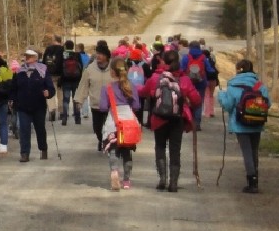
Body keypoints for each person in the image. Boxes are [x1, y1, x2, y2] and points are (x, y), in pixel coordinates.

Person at [139, 49, 201, 192]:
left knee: (160, 147)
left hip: (159, 118)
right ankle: (173, 183)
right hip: (177, 119)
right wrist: (187, 106)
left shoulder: (155, 78)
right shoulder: (184, 80)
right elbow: (196, 100)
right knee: (175, 150)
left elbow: (143, 92)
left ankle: (162, 179)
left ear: (163, 61)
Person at [217, 59, 272, 193]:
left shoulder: (233, 86)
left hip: (240, 124)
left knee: (246, 151)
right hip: (257, 122)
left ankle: (251, 181)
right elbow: (268, 103)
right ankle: (255, 180)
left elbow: (228, 105)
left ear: (238, 70)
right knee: (254, 151)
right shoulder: (259, 85)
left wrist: (221, 96)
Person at [102, 56, 142, 189]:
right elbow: (136, 106)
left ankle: (114, 171)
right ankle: (126, 180)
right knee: (127, 152)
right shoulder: (131, 87)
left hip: (113, 122)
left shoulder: (107, 88)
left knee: (113, 150)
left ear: (112, 72)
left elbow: (103, 107)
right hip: (129, 122)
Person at [11, 48, 55, 162]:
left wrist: (48, 92)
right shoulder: (19, 71)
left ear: (36, 58)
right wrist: (13, 100)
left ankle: (43, 149)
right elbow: (13, 88)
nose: (27, 58)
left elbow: (51, 88)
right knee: (24, 130)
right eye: (26, 56)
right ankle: (24, 153)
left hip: (39, 106)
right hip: (23, 106)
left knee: (40, 129)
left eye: (30, 56)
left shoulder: (43, 70)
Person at [76, 40, 115, 152]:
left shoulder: (113, 69)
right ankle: (101, 139)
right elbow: (83, 85)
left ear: (107, 56)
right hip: (96, 104)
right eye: (97, 54)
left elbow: (121, 83)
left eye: (101, 54)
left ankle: (107, 142)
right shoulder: (90, 69)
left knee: (110, 126)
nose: (98, 56)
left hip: (111, 104)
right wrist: (79, 100)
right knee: (97, 128)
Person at [181, 40, 213, 129]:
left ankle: (189, 121)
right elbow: (209, 69)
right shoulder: (203, 57)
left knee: (187, 101)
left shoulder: (186, 57)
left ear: (190, 48)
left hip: (188, 84)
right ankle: (197, 123)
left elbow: (182, 69)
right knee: (199, 102)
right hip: (201, 83)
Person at [59, 39, 84, 126]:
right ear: (73, 47)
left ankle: (64, 118)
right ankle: (77, 118)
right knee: (75, 99)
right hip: (76, 80)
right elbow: (81, 67)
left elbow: (60, 68)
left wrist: (60, 80)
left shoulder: (63, 55)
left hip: (65, 80)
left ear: (65, 46)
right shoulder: (77, 54)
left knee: (66, 100)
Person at [41, 35, 65, 112]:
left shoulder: (48, 49)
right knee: (60, 93)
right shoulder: (63, 49)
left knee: (50, 91)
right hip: (60, 74)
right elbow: (64, 62)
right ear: (60, 41)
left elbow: (43, 62)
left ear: (54, 40)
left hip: (49, 74)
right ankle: (61, 110)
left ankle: (52, 110)